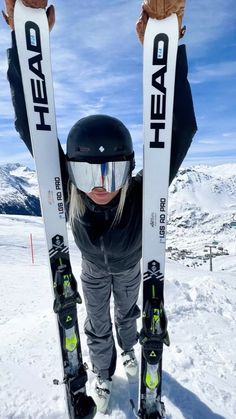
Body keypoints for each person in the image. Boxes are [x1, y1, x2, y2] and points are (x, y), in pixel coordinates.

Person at [4, 0, 197, 413]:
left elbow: (179, 131)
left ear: (129, 171)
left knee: (127, 318)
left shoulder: (143, 193)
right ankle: (102, 372)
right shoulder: (67, 186)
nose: (101, 189)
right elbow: (30, 125)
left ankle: (129, 352)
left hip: (130, 267)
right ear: (73, 173)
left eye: (112, 175)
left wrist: (169, 50)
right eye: (90, 176)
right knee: (94, 325)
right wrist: (24, 44)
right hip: (91, 268)